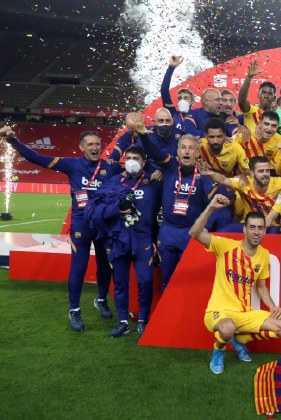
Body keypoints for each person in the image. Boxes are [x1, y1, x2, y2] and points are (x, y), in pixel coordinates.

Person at [1, 126, 122, 332]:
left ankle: (101, 300)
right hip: (82, 224)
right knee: (79, 267)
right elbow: (37, 158)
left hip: (103, 224)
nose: (95, 148)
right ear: (81, 147)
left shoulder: (111, 167)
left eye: (97, 144)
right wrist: (13, 141)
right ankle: (74, 310)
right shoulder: (71, 164)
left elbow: (135, 169)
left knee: (104, 265)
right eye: (90, 145)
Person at [189, 201, 281, 374]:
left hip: (244, 313)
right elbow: (194, 232)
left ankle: (240, 340)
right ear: (244, 229)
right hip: (219, 312)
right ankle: (218, 350)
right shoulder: (225, 246)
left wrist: (273, 307)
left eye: (260, 228)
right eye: (252, 227)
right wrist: (211, 207)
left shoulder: (264, 255)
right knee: (228, 329)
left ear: (265, 231)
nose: (256, 232)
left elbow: (262, 288)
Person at [88, 146, 162, 337]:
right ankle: (123, 322)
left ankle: (143, 320)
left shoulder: (154, 183)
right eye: (128, 157)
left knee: (145, 281)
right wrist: (116, 209)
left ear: (144, 161)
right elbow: (96, 210)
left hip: (143, 237)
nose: (131, 161)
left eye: (136, 158)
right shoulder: (113, 181)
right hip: (119, 238)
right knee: (120, 282)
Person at [138, 125, 223, 291]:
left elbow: (216, 203)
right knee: (167, 279)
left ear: (197, 154)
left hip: (190, 234)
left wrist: (206, 225)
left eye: (191, 148)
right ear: (177, 152)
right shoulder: (170, 167)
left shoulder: (203, 175)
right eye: (183, 148)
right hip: (168, 232)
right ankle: (167, 308)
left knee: (189, 281)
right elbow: (155, 152)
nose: (187, 151)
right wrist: (143, 135)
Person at [201, 156, 281, 234]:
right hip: (248, 224)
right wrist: (209, 173)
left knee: (273, 235)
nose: (265, 174)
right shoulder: (245, 183)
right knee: (223, 232)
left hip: (271, 225)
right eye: (261, 171)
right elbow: (223, 180)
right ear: (252, 173)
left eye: (267, 171)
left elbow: (270, 218)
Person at [233, 111, 281, 176]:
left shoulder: (279, 140)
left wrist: (280, 152)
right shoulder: (246, 134)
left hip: (263, 176)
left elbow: (278, 171)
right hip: (243, 176)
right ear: (260, 123)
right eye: (266, 124)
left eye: (273, 126)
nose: (269, 128)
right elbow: (230, 151)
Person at [237, 60, 277, 132]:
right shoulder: (250, 110)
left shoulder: (277, 116)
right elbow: (241, 101)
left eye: (270, 93)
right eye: (263, 92)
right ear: (258, 95)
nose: (266, 96)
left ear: (274, 98)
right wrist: (249, 77)